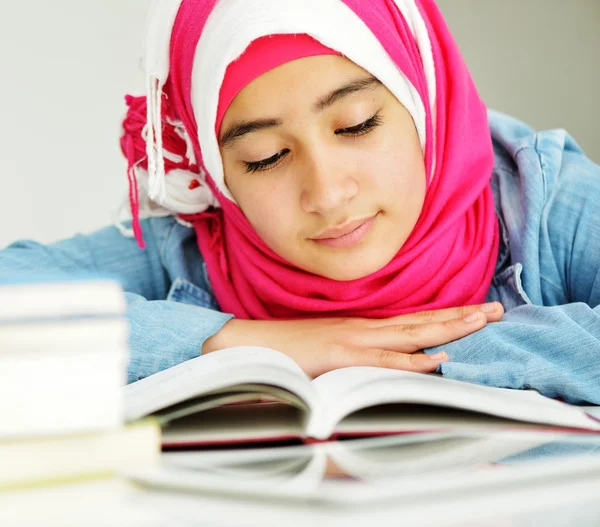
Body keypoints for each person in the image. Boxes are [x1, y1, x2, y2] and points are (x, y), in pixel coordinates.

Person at [2, 0, 599, 404]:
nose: (328, 193)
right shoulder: (194, 246)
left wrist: (392, 358)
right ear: (218, 170)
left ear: (423, 103)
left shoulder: (540, 203)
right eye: (264, 157)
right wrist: (247, 343)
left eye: (358, 125)